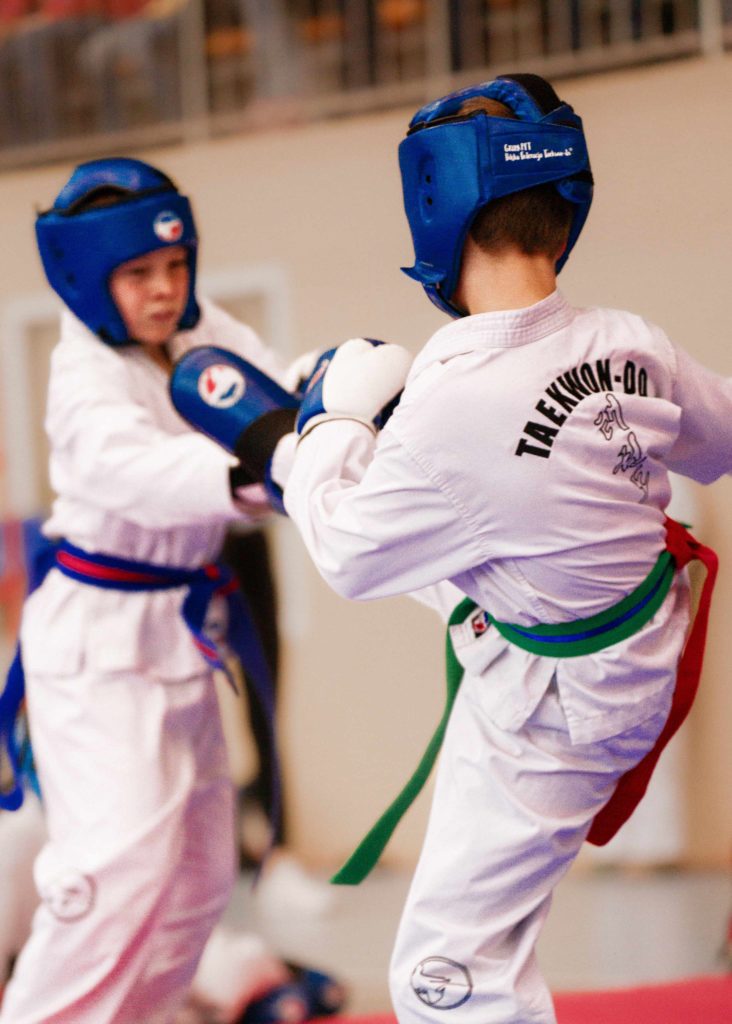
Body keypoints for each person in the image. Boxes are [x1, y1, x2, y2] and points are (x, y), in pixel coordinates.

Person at [257, 72, 728, 1023]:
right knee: (433, 534)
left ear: (435, 208)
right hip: (609, 633)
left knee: (446, 975)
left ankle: (296, 446)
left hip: (558, 708)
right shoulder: (629, 340)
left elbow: (350, 558)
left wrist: (328, 423)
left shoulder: (460, 398)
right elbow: (716, 444)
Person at [0, 156, 337, 1024]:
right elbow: (138, 471)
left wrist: (332, 394)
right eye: (139, 273)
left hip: (184, 632)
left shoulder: (200, 328)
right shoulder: (84, 376)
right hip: (100, 646)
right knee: (110, 878)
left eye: (176, 265)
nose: (163, 289)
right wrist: (260, 469)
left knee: (196, 881)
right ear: (87, 279)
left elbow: (270, 396)